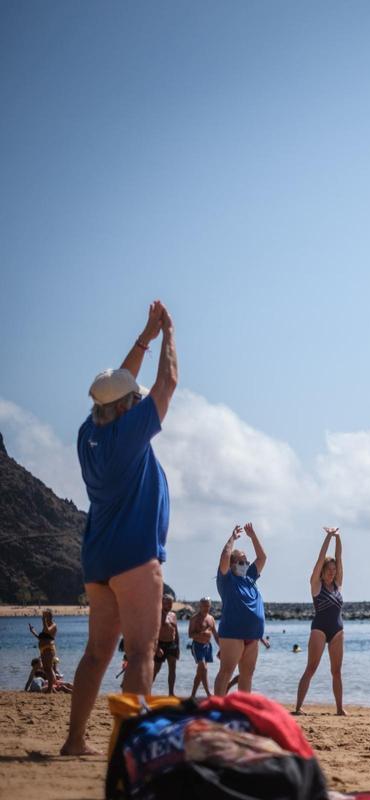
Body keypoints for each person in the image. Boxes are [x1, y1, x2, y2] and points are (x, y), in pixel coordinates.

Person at [61, 300, 178, 756]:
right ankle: (129, 749)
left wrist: (143, 338)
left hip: (98, 559)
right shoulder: (130, 433)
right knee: (142, 653)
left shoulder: (88, 434)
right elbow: (168, 384)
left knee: (97, 653)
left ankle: (74, 741)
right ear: (129, 407)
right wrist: (169, 333)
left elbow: (114, 390)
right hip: (135, 556)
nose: (138, 399)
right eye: (135, 398)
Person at [295, 527, 346, 715]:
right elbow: (320, 558)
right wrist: (328, 538)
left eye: (334, 570)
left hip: (337, 630)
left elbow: (339, 558)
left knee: (337, 671)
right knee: (311, 668)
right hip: (319, 629)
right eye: (329, 569)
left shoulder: (337, 584)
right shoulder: (316, 585)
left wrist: (338, 538)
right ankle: (298, 706)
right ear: (322, 571)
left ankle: (340, 709)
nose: (332, 572)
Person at [214, 523, 268, 695]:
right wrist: (232, 539)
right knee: (226, 672)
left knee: (247, 674)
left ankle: (243, 710)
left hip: (253, 635)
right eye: (241, 562)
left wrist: (253, 537)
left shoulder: (250, 577)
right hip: (233, 633)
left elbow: (262, 558)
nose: (245, 564)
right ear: (232, 564)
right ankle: (218, 708)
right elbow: (224, 557)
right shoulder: (227, 579)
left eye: (246, 561)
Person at [187, 597, 218, 699]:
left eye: (208, 606)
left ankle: (193, 695)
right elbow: (190, 635)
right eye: (204, 605)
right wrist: (202, 633)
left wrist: (221, 647)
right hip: (197, 646)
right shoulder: (194, 618)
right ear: (200, 606)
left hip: (207, 646)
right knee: (203, 668)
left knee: (201, 671)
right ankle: (208, 693)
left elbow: (215, 634)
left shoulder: (211, 618)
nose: (206, 608)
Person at [152, 592, 180, 695]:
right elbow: (153, 633)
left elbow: (175, 632)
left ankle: (171, 693)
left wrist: (178, 648)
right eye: (166, 603)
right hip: (161, 644)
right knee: (156, 669)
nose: (168, 605)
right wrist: (157, 647)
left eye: (170, 603)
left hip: (172, 644)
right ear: (162, 603)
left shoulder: (173, 615)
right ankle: (147, 691)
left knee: (172, 669)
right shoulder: (157, 615)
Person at [29, 609, 57, 681]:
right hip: (43, 649)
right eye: (44, 616)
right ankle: (50, 688)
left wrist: (43, 620)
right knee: (45, 668)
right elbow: (41, 638)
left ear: (50, 617)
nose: (44, 617)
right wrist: (33, 631)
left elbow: (47, 631)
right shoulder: (45, 626)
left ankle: (50, 688)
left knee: (49, 668)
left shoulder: (53, 625)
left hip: (49, 648)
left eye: (46, 616)